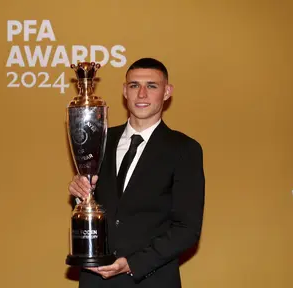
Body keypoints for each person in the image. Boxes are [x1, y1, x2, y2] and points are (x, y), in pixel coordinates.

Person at [69, 58, 205, 288]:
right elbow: (97, 204)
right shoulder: (99, 140)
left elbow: (187, 229)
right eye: (134, 86)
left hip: (151, 279)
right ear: (124, 91)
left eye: (151, 86)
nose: (141, 94)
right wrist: (80, 193)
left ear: (167, 92)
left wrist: (132, 264)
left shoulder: (184, 149)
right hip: (96, 281)